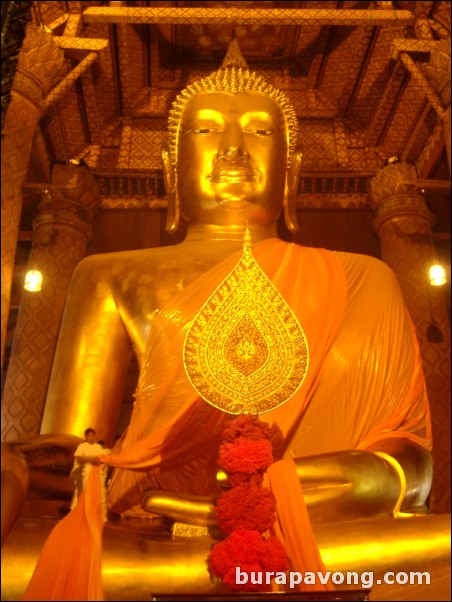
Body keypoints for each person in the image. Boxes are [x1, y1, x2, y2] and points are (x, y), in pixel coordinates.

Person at [3, 39, 449, 601]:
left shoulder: (363, 278)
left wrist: (265, 493)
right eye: (207, 130)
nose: (233, 150)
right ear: (170, 168)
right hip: (148, 529)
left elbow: (408, 467)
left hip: (315, 523)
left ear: (292, 174)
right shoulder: (107, 276)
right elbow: (75, 448)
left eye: (261, 133)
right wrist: (30, 468)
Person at [69, 428, 103, 512]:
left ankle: (94, 512)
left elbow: (103, 457)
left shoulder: (98, 447)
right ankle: (83, 511)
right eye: (89, 435)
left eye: (93, 435)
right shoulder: (82, 446)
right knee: (86, 492)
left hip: (98, 473)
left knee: (97, 493)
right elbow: (78, 457)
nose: (91, 437)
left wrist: (99, 461)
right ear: (86, 436)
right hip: (87, 472)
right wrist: (89, 459)